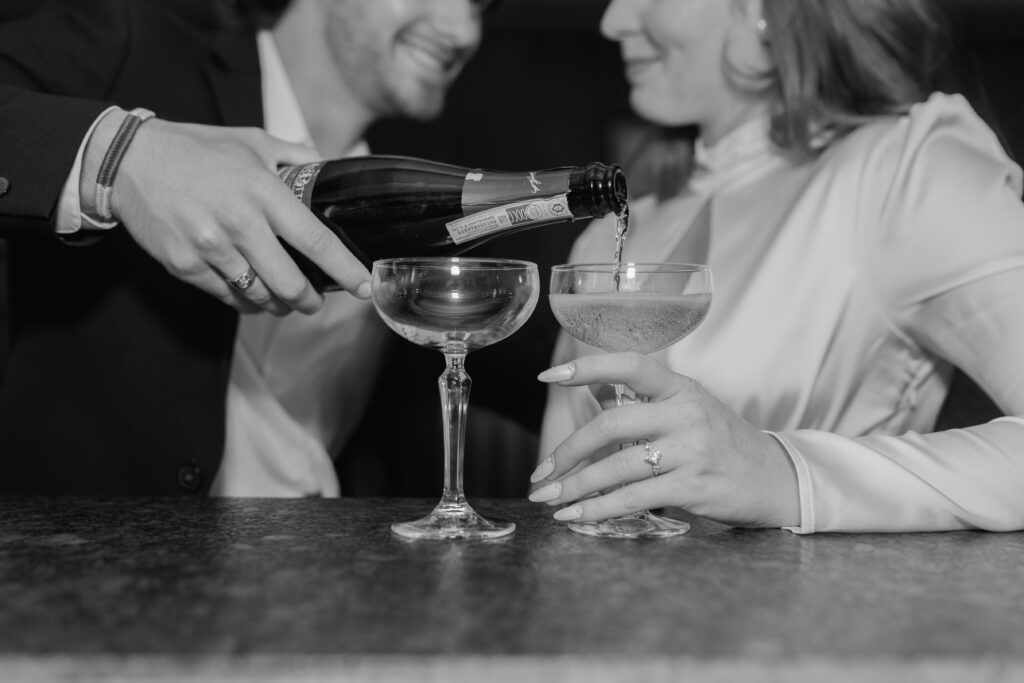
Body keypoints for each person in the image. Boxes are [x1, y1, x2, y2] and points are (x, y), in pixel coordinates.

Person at [531, 0, 1024, 533]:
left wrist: (782, 473)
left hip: (820, 609)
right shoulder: (605, 242)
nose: (613, 22)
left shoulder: (905, 173)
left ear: (766, 12)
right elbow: (556, 505)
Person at [0, 0, 490, 495]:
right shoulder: (129, 38)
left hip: (327, 555)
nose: (464, 31)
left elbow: (503, 338)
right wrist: (122, 156)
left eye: (482, 5)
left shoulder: (426, 176)